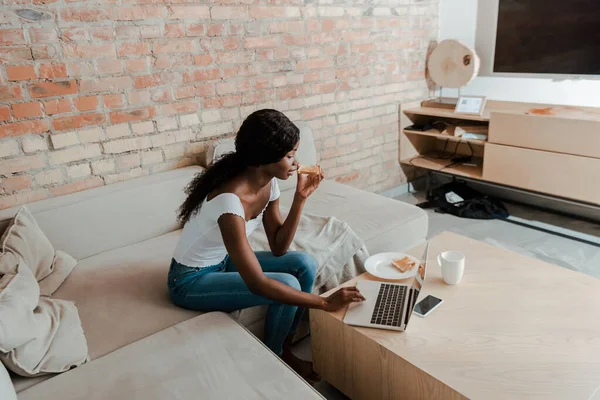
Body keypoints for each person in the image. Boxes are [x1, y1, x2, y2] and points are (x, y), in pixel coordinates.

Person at [168, 109, 365, 380]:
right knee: (288, 282)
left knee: (304, 263)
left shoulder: (269, 184)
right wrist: (323, 302)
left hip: (222, 263)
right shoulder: (230, 203)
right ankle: (276, 360)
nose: (295, 163)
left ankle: (281, 348)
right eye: (289, 155)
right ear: (263, 158)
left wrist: (300, 198)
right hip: (190, 281)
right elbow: (257, 283)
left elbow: (279, 247)